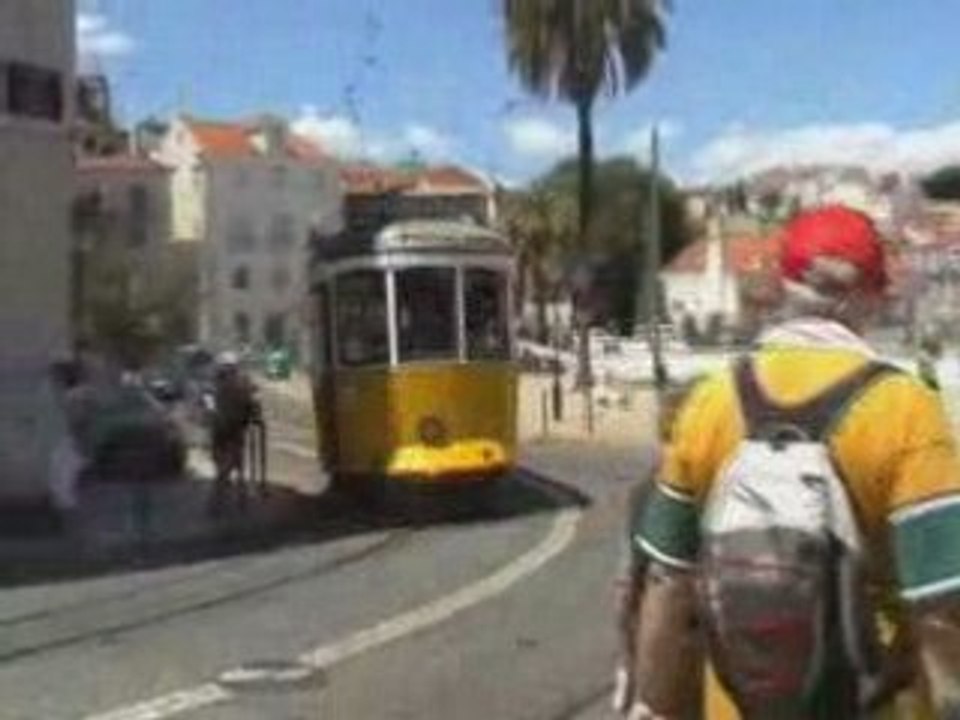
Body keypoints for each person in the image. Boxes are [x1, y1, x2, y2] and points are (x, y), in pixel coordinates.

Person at [630, 206, 960, 719]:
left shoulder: (710, 402)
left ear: (785, 287)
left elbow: (665, 581)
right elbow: (941, 606)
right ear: (870, 297)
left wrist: (651, 706)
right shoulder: (907, 407)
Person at [613, 376, 704, 718]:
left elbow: (626, 590)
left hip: (665, 655)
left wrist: (628, 666)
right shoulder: (729, 482)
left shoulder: (645, 493)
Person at [207, 351, 260, 512]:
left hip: (223, 429)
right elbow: (251, 400)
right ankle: (228, 499)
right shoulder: (238, 384)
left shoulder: (218, 384)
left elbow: (250, 398)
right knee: (232, 465)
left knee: (227, 465)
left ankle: (226, 499)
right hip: (231, 428)